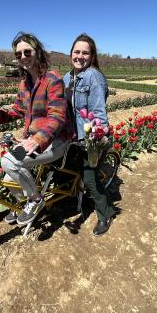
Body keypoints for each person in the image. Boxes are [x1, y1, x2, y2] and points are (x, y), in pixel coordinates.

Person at [0, 33, 72, 225]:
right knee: (7, 176)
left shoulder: (52, 79)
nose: (23, 57)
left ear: (37, 52)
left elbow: (57, 116)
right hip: (34, 139)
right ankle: (24, 203)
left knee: (9, 162)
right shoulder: (24, 84)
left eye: (27, 52)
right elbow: (15, 111)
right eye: (18, 54)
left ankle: (36, 200)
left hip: (56, 140)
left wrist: (37, 139)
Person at [63, 34, 116, 236]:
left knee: (90, 178)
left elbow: (98, 112)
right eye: (77, 52)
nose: (80, 56)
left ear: (92, 56)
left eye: (85, 52)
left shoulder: (94, 77)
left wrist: (96, 140)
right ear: (71, 54)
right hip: (72, 136)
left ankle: (106, 213)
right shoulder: (67, 77)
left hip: (91, 137)